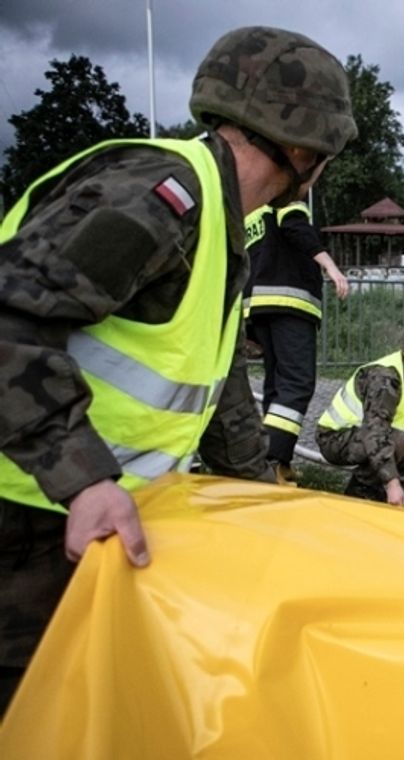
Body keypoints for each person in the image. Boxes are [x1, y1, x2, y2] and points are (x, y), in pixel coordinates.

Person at [0, 25, 357, 715]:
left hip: (79, 525)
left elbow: (216, 392)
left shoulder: (221, 224)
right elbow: (9, 321)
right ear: (305, 148)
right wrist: (84, 480)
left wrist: (262, 503)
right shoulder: (161, 199)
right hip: (27, 518)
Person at [244, 199, 350, 483]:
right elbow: (296, 227)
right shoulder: (285, 198)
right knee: (296, 383)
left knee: (276, 386)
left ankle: (278, 459)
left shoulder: (251, 213)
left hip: (259, 305)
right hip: (290, 301)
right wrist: (331, 267)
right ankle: (272, 461)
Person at [317, 320, 404, 506]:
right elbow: (375, 433)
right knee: (398, 441)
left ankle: (379, 484)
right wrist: (393, 484)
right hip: (335, 439)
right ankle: (360, 492)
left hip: (370, 435)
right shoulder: (385, 379)